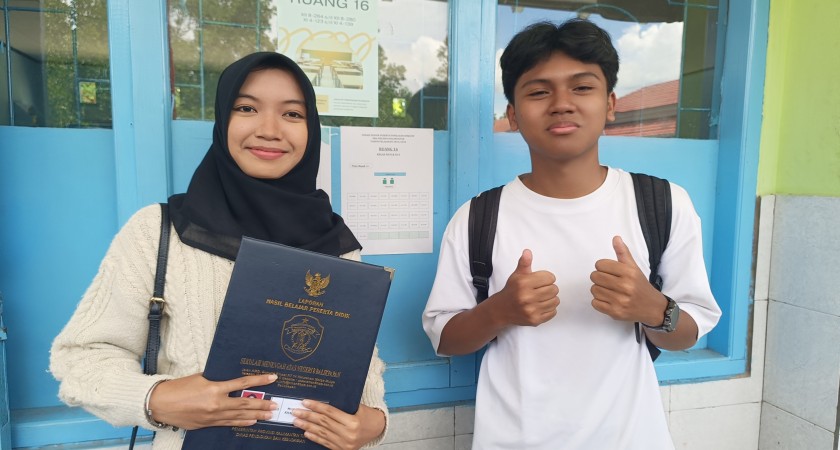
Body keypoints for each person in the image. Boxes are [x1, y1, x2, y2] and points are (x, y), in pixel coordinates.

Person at [50, 52, 388, 450]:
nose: (270, 130)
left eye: (292, 114)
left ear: (311, 129)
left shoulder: (335, 242)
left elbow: (361, 373)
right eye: (246, 108)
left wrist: (374, 423)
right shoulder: (159, 231)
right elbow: (81, 358)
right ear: (222, 120)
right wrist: (158, 398)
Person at [422, 19, 721, 449]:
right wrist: (498, 311)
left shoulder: (663, 204)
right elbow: (446, 339)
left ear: (610, 103)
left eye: (582, 87)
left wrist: (654, 308)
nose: (562, 104)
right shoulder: (477, 217)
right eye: (538, 92)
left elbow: (687, 334)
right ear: (513, 115)